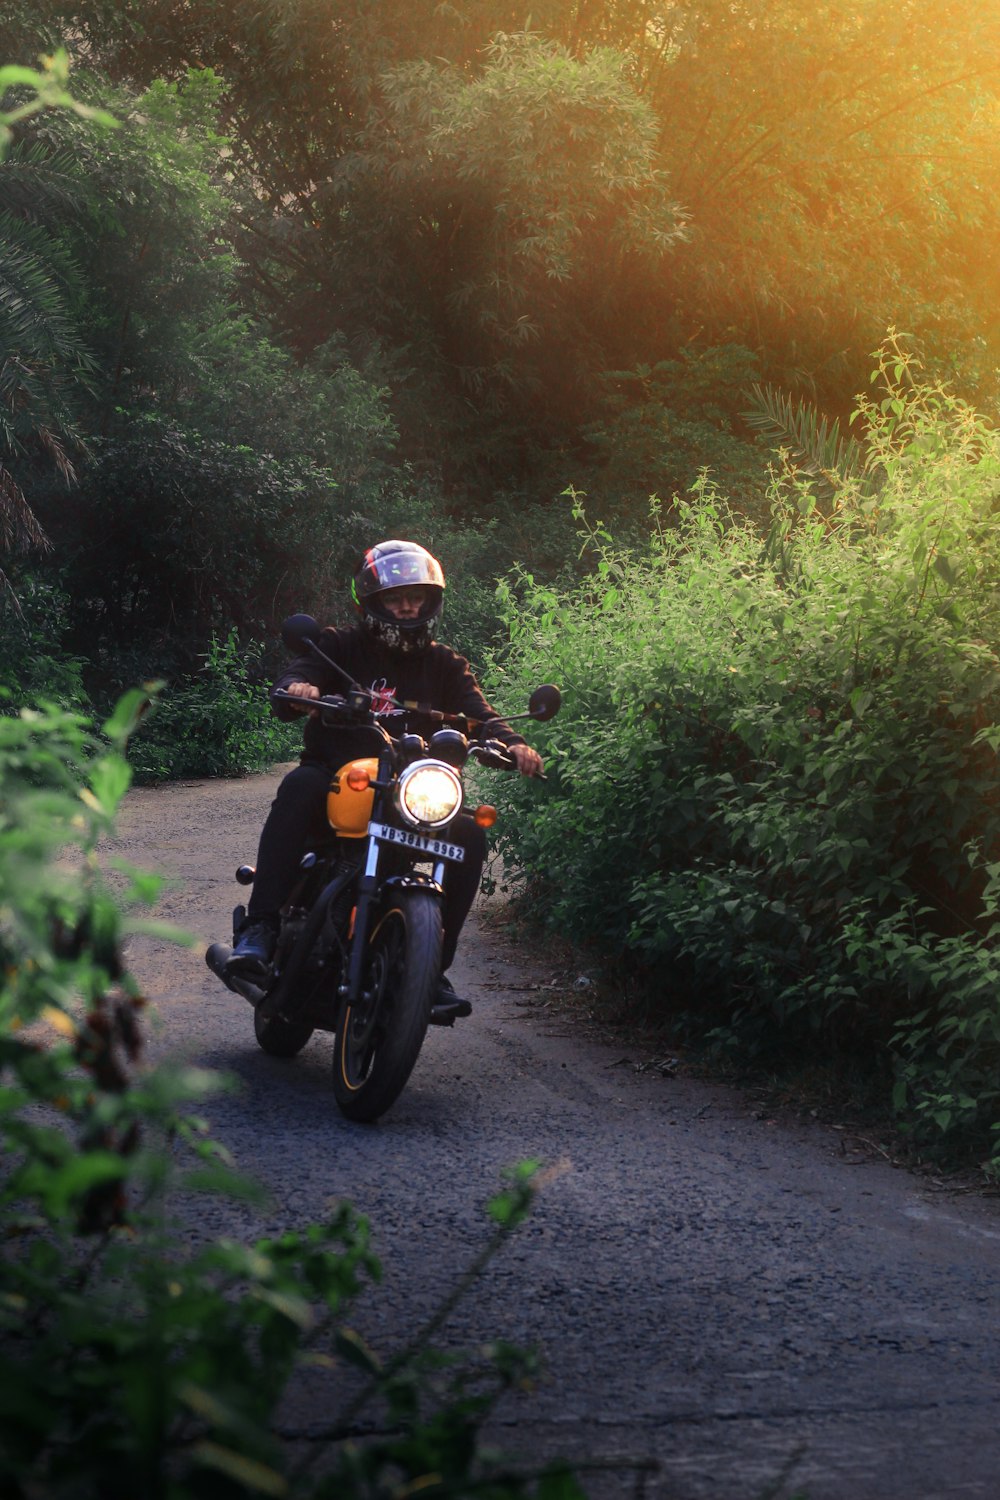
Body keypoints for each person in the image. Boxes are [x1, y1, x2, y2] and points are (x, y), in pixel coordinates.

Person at [226, 539, 543, 999]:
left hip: (410, 792)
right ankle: (261, 928)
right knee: (298, 786)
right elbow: (295, 679)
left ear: (430, 601)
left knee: (471, 833)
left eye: (415, 597)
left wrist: (513, 742)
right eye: (395, 598)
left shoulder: (445, 664)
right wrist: (300, 688)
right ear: (373, 602)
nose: (407, 607)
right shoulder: (340, 646)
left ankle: (432, 966)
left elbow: (480, 715)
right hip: (338, 777)